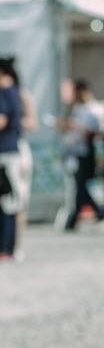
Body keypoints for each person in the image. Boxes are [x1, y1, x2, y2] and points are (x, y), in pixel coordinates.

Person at [59, 80, 102, 231]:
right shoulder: (77, 108)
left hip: (86, 151)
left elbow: (96, 132)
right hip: (74, 151)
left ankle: (97, 211)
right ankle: (79, 216)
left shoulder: (95, 109)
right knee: (78, 185)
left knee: (81, 184)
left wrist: (78, 126)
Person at [7, 62, 37, 260]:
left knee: (18, 199)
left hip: (17, 149)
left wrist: (11, 120)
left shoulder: (21, 94)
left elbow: (32, 122)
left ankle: (17, 245)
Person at [0, 59, 22, 260]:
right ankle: (8, 248)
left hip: (5, 154)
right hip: (10, 152)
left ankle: (6, 248)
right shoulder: (14, 91)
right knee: (9, 202)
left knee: (6, 202)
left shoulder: (4, 92)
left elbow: (2, 120)